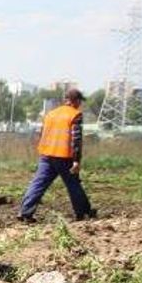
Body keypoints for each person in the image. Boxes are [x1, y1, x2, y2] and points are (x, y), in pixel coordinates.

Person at [17, 88, 97, 223]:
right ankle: (83, 213)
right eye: (79, 101)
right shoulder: (75, 114)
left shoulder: (51, 114)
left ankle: (25, 213)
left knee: (38, 184)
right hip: (64, 157)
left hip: (46, 155)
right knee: (73, 185)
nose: (80, 104)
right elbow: (76, 139)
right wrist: (76, 160)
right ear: (76, 101)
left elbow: (42, 134)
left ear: (65, 100)